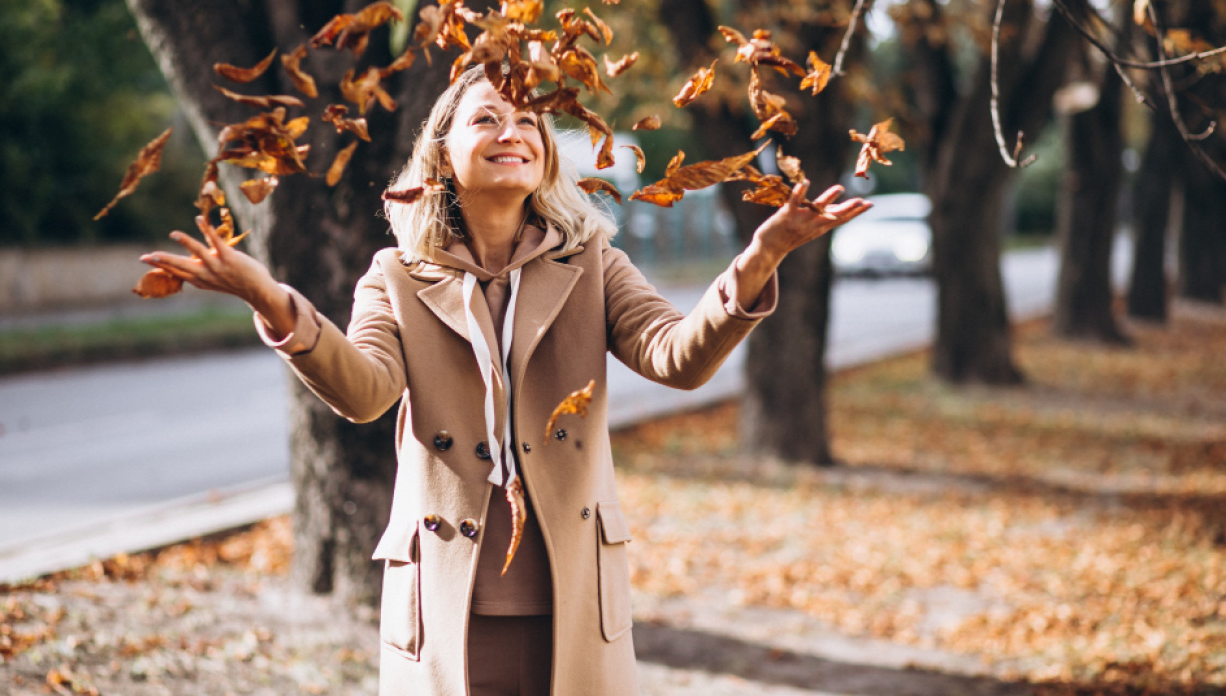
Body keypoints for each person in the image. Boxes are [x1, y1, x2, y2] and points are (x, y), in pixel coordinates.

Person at [141, 65, 870, 696]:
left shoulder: (594, 264)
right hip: (447, 601)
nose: (511, 131)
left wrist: (760, 257)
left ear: (547, 155)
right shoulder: (394, 277)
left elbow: (678, 357)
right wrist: (271, 299)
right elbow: (364, 391)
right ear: (443, 154)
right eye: (486, 117)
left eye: (527, 120)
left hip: (572, 594)